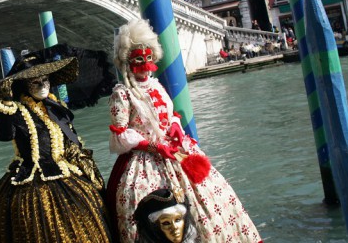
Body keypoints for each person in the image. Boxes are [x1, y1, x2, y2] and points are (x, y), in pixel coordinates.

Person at [106, 19, 261, 243]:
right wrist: (153, 146)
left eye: (149, 58)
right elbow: (120, 133)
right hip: (144, 161)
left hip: (178, 152)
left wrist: (176, 127)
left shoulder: (156, 84)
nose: (145, 64)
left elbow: (170, 115)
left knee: (211, 201)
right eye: (138, 59)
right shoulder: (122, 93)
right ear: (127, 61)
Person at [0, 46, 112, 243]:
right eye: (36, 82)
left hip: (65, 174)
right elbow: (4, 135)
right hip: (30, 182)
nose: (42, 86)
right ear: (25, 86)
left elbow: (71, 138)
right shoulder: (17, 111)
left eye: (45, 80)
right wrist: (5, 105)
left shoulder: (57, 107)